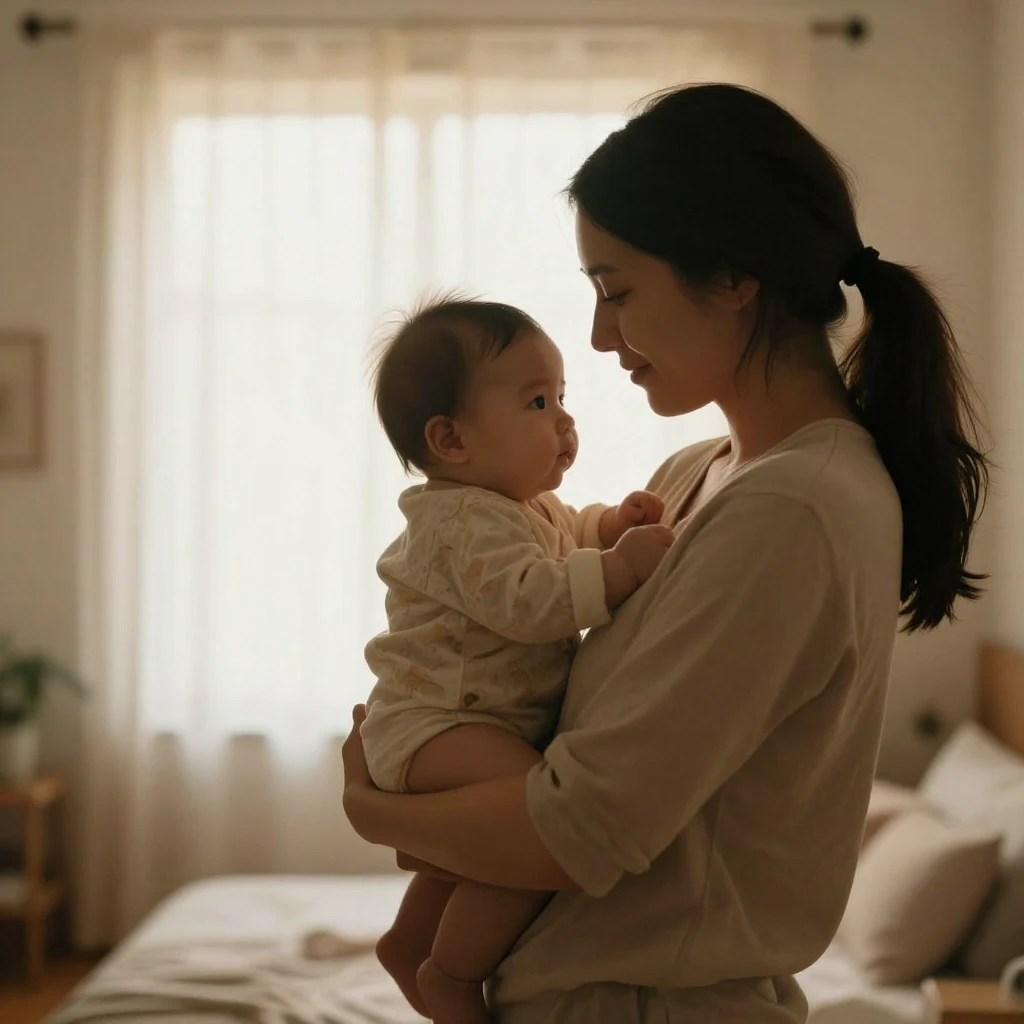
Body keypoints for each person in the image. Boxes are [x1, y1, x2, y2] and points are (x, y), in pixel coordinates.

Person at [342, 83, 989, 1023]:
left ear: (731, 277)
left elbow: (579, 828)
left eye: (616, 291)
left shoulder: (797, 510)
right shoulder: (699, 473)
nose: (602, 337)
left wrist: (379, 812)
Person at [363, 296, 675, 1024]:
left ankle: (410, 943)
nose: (565, 420)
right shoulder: (459, 521)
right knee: (539, 827)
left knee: (485, 843)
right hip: (434, 724)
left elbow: (569, 534)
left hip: (464, 723)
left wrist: (609, 525)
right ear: (451, 439)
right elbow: (530, 600)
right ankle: (453, 973)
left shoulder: (519, 506)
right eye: (538, 401)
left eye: (562, 397)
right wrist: (621, 568)